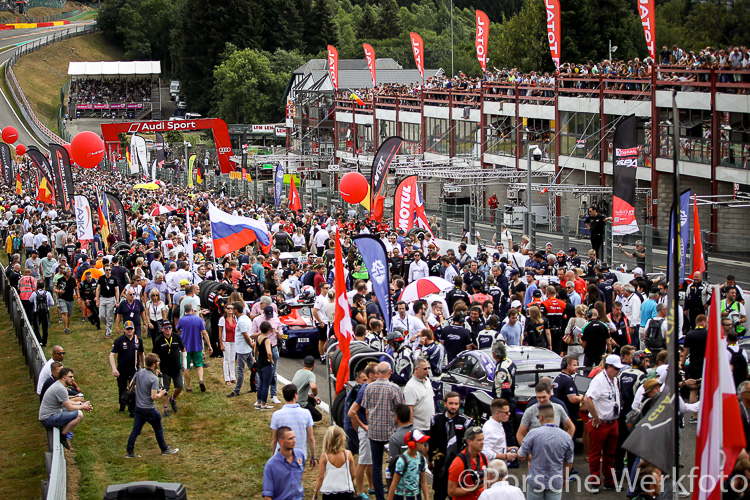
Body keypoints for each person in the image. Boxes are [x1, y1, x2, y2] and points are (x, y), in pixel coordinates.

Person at [362, 361, 405, 500]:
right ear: (390, 372)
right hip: (390, 432)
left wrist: (370, 424)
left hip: (374, 431)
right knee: (394, 463)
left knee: (376, 465)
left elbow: (367, 410)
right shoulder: (394, 388)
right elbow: (401, 410)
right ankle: (394, 492)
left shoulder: (369, 387)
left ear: (378, 373)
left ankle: (380, 496)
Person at [125, 353, 180, 458]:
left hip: (138, 408)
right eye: (158, 361)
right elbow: (154, 396)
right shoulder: (153, 379)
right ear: (154, 364)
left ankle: (130, 452)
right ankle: (164, 449)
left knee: (135, 430)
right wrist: (162, 393)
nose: (159, 363)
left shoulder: (140, 372)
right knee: (158, 428)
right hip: (149, 409)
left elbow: (134, 387)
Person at [517, 404, 575, 500]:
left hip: (536, 479)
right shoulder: (566, 437)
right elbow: (569, 461)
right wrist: (565, 478)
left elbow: (521, 454)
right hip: (555, 480)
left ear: (541, 417)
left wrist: (529, 456)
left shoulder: (533, 433)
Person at [584, 354, 623, 492]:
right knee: (595, 454)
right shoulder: (599, 380)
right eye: (616, 368)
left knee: (610, 454)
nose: (618, 371)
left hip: (613, 422)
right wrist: (595, 417)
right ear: (608, 367)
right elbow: (587, 399)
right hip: (601, 424)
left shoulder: (615, 379)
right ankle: (594, 481)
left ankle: (609, 480)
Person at [427, 392, 473, 500]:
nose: (453, 406)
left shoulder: (465, 422)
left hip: (458, 464)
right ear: (445, 404)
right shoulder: (435, 420)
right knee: (439, 493)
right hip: (440, 463)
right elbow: (432, 441)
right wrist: (429, 460)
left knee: (456, 495)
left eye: (456, 404)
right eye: (451, 403)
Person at [39, 367, 93, 450]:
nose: (73, 379)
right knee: (79, 414)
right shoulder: (60, 388)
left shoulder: (59, 385)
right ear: (64, 377)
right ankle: (63, 436)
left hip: (51, 414)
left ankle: (63, 433)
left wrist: (82, 404)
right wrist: (83, 407)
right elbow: (70, 408)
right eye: (70, 377)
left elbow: (68, 402)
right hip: (48, 418)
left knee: (77, 410)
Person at [270, 384, 317, 461]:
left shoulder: (277, 415)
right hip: (300, 455)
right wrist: (313, 456)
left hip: (281, 454)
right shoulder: (306, 413)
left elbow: (274, 439)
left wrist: (273, 455)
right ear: (295, 396)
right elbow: (311, 438)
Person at [109, 320, 145, 416]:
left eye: (131, 329)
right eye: (127, 329)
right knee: (122, 389)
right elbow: (112, 355)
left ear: (134, 329)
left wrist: (144, 366)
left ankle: (132, 409)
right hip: (122, 370)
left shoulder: (138, 340)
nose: (130, 330)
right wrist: (114, 369)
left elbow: (141, 353)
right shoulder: (119, 341)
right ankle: (122, 405)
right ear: (124, 330)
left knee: (134, 389)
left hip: (134, 370)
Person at [262, 426, 306, 500]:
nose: (294, 441)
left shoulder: (300, 455)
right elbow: (267, 494)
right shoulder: (271, 465)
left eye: (294, 437)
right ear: (281, 442)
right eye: (290, 439)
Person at [313, 425, 356, 500]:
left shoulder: (325, 456)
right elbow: (353, 474)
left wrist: (315, 492)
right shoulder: (348, 454)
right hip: (346, 489)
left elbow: (320, 477)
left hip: (329, 490)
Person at [176, 302, 211, 393]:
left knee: (186, 367)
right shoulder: (198, 320)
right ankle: (200, 380)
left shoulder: (182, 320)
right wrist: (209, 346)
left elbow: (177, 328)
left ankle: (189, 387)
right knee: (199, 365)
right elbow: (204, 333)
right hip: (197, 346)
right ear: (192, 310)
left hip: (185, 347)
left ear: (184, 310)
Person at [151, 323, 185, 416]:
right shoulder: (159, 340)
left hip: (176, 368)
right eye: (166, 328)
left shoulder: (176, 336)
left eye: (170, 327)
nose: (168, 329)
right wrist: (156, 369)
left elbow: (183, 349)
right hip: (165, 369)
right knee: (164, 389)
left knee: (180, 386)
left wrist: (184, 363)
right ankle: (166, 408)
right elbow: (155, 356)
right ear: (162, 329)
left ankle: (173, 399)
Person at [387, 429, 430, 500]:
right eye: (421, 443)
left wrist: (427, 498)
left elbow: (423, 482)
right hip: (402, 496)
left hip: (416, 495)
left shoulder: (422, 459)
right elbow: (394, 485)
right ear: (412, 444)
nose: (424, 445)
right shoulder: (402, 461)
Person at [447, 425, 487, 499]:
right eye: (479, 440)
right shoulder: (458, 463)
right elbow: (451, 491)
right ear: (469, 441)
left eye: (483, 439)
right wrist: (473, 489)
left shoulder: (483, 458)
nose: (482, 443)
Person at [403, 358, 435, 432]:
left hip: (430, 425)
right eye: (425, 369)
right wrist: (411, 428)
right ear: (416, 369)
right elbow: (409, 408)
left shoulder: (427, 381)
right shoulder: (410, 386)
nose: (427, 370)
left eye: (428, 368)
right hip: (419, 428)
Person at [481, 398, 518, 462]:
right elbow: (485, 452)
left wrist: (507, 449)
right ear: (497, 413)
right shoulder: (490, 429)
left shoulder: (498, 424)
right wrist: (505, 456)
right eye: (506, 412)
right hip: (493, 469)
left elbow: (495, 446)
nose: (509, 414)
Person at [292, 355, 323, 422]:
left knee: (312, 400)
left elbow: (299, 389)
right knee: (318, 416)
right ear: (313, 365)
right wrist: (315, 394)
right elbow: (313, 386)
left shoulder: (298, 371)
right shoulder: (310, 374)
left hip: (293, 400)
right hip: (300, 402)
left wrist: (312, 397)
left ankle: (301, 415)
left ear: (303, 363)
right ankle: (302, 420)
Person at [254, 321, 275, 410]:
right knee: (266, 384)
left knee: (261, 383)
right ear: (268, 330)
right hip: (266, 364)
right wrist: (271, 360)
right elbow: (269, 352)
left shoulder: (258, 338)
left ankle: (258, 402)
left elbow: (255, 350)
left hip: (260, 363)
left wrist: (258, 357)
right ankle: (263, 403)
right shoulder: (267, 340)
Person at [96, 265, 120, 337]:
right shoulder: (101, 278)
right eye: (107, 270)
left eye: (109, 270)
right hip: (103, 298)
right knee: (101, 315)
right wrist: (97, 299)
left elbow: (117, 290)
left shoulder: (114, 278)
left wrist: (117, 301)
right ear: (104, 270)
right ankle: (107, 326)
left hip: (111, 298)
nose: (108, 271)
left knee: (109, 316)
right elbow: (98, 289)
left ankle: (108, 332)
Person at [219, 302, 237, 385]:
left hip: (234, 341)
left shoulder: (235, 318)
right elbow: (220, 332)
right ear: (225, 310)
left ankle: (233, 376)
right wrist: (221, 343)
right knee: (226, 359)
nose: (230, 310)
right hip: (226, 341)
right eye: (228, 308)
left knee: (232, 359)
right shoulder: (222, 319)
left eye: (232, 308)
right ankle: (227, 378)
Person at [54, 267, 77, 335]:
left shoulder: (73, 280)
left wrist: (78, 296)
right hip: (62, 298)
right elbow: (54, 288)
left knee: (69, 314)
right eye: (69, 272)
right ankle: (65, 327)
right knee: (65, 313)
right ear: (65, 273)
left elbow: (76, 288)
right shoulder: (60, 280)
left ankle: (68, 326)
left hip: (70, 298)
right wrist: (58, 291)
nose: (70, 273)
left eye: (70, 271)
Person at [32, 280, 53, 346]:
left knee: (36, 327)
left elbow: (30, 300)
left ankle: (39, 340)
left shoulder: (34, 293)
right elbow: (52, 303)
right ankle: (44, 342)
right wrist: (47, 305)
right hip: (46, 312)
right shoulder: (47, 293)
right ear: (44, 286)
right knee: (45, 327)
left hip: (36, 312)